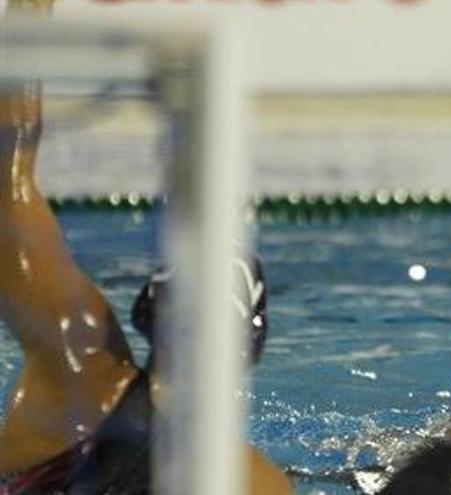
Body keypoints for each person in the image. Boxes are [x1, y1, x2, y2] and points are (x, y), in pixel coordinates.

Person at [0, 1, 292, 493]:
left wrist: (30, 16)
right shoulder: (258, 483)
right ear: (251, 348)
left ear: (146, 309)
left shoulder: (77, 374)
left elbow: (8, 178)